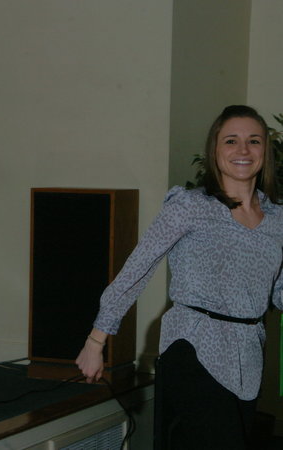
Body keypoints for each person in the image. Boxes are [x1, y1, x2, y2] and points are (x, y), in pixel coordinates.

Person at [75, 105, 283, 449]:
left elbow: (277, 290)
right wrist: (96, 340)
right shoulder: (190, 206)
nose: (243, 150)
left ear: (265, 152)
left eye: (254, 141)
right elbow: (137, 268)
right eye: (231, 140)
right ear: (215, 150)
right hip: (194, 346)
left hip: (248, 356)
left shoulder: (277, 218)